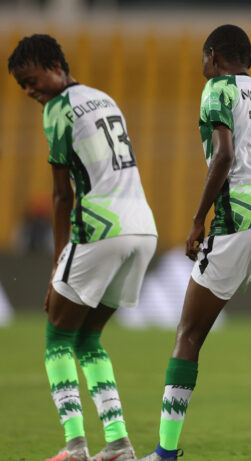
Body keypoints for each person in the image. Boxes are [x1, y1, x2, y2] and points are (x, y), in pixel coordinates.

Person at [137, 25, 251, 461]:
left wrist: (197, 219)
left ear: (213, 57)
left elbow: (223, 155)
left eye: (204, 59)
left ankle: (165, 453)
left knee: (189, 334)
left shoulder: (217, 90)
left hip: (240, 214)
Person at [8, 34, 158, 461]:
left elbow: (61, 195)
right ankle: (118, 443)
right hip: (142, 227)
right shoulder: (104, 98)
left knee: (57, 335)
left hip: (101, 227)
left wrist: (58, 265)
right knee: (89, 338)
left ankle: (75, 446)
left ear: (56, 64)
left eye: (32, 80)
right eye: (22, 86)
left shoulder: (58, 109)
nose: (30, 91)